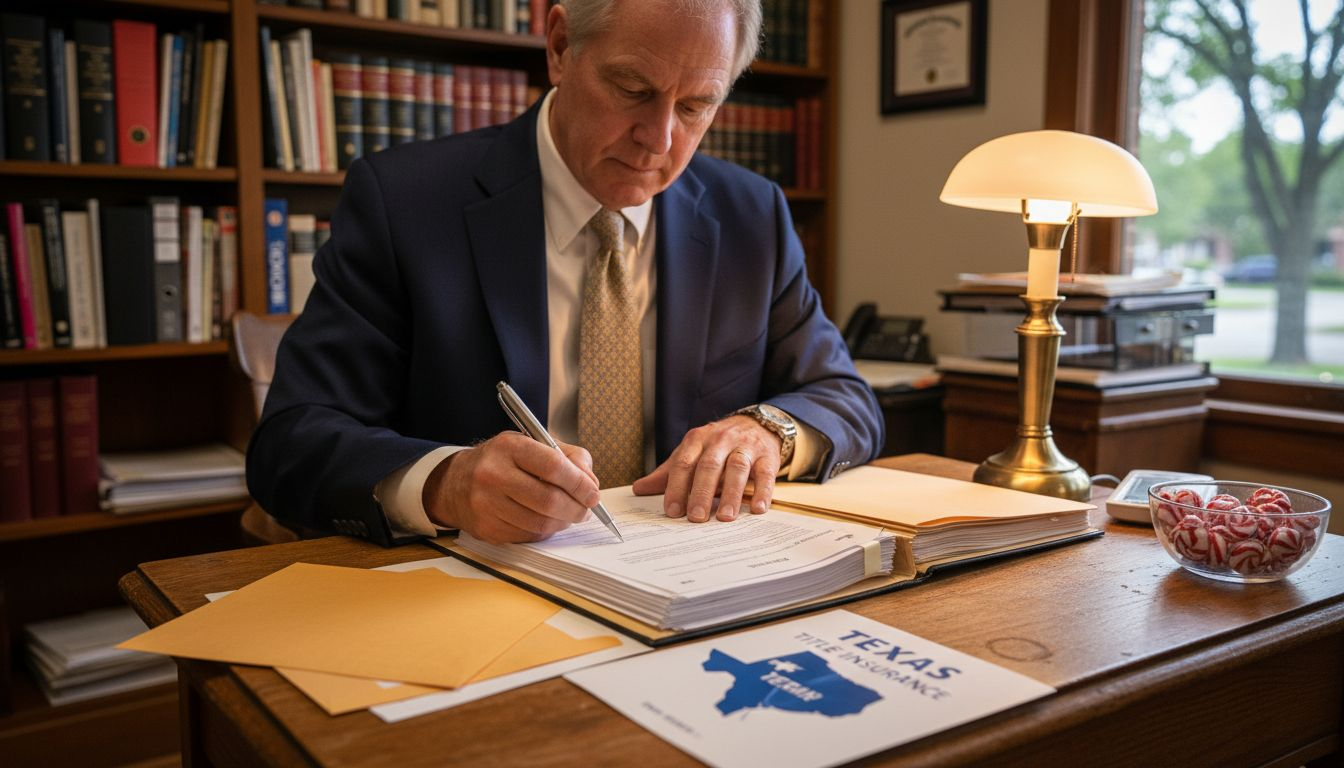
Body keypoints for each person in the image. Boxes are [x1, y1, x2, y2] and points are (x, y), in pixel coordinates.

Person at [246, 0, 883, 546]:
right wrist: (447, 483)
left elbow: (845, 398)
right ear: (559, 47)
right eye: (633, 89)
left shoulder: (752, 215)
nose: (658, 139)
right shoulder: (405, 202)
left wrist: (765, 431)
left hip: (691, 582)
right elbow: (291, 443)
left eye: (695, 106)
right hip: (470, 599)